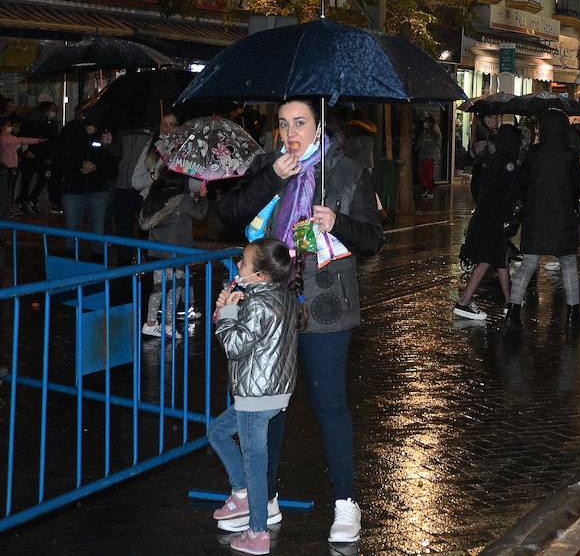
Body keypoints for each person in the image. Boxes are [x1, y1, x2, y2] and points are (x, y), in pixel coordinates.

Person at [219, 98, 383, 545]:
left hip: (327, 307)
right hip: (272, 309)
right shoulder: (273, 168)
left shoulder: (347, 172)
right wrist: (273, 178)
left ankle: (346, 503)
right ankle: (265, 496)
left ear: (319, 126)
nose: (290, 132)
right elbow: (229, 216)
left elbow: (372, 240)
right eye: (283, 123)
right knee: (269, 407)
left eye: (300, 122)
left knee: (329, 403)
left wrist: (339, 223)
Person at [207, 237, 303, 554]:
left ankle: (258, 532)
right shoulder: (283, 295)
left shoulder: (258, 303)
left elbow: (235, 347)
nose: (238, 266)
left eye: (243, 263)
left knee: (254, 462)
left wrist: (230, 312)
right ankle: (241, 494)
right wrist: (226, 311)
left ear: (260, 275)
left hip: (255, 396)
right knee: (218, 431)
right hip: (274, 392)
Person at [507, 110, 580, 329]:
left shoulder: (533, 153)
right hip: (562, 219)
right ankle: (573, 314)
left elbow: (522, 181)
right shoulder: (569, 154)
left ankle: (513, 312)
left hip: (535, 218)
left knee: (528, 265)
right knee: (568, 264)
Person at [134, 113, 209, 337]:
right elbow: (137, 181)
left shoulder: (186, 151)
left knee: (163, 286)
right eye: (164, 124)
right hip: (174, 244)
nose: (167, 128)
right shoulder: (151, 150)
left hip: (159, 242)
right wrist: (202, 196)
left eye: (172, 125)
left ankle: (160, 322)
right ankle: (166, 324)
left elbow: (193, 181)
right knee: (171, 286)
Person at [453, 124, 522, 321]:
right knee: (488, 259)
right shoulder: (508, 166)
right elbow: (509, 195)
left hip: (487, 218)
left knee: (499, 259)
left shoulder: (494, 161)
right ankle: (464, 301)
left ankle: (510, 302)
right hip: (496, 220)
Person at [56, 115, 116, 240]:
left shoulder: (102, 131)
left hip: (98, 190)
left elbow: (112, 168)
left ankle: (97, 257)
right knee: (72, 231)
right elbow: (60, 157)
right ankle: (72, 256)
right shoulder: (71, 130)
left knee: (98, 231)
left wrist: (105, 147)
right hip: (73, 189)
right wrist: (79, 165)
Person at [16, 101, 60, 214]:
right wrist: (26, 151)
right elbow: (23, 137)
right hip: (31, 154)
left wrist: (50, 156)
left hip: (42, 156)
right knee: (27, 178)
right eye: (51, 109)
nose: (53, 112)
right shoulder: (32, 122)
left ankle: (31, 199)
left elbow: (52, 142)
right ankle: (23, 201)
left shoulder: (51, 124)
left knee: (44, 175)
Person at [0, 117, 44, 216]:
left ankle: (8, 207)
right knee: (8, 189)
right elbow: (22, 140)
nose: (10, 128)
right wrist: (37, 140)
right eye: (8, 126)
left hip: (11, 166)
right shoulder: (5, 138)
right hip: (8, 167)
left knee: (11, 188)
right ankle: (6, 208)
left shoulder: (8, 138)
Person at [416, 114, 441, 199]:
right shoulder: (424, 131)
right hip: (424, 155)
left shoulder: (434, 131)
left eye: (426, 121)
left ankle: (430, 189)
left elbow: (435, 144)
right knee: (423, 173)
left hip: (430, 155)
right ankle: (426, 188)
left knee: (429, 174)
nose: (425, 123)